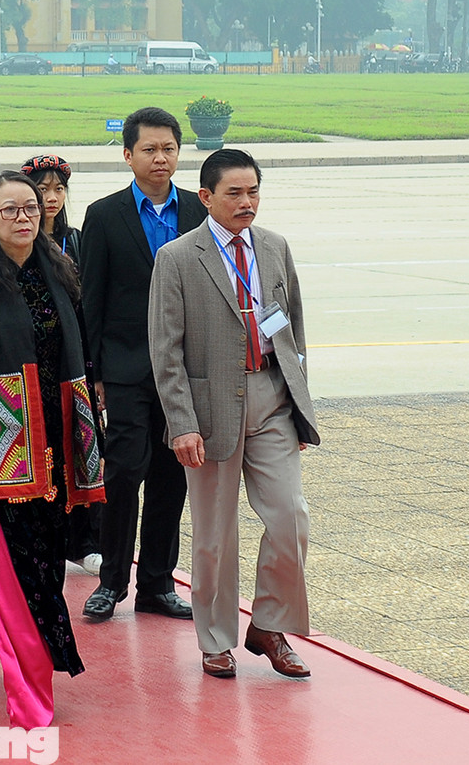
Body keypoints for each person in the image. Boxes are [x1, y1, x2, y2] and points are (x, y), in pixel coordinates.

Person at [0, 171, 105, 729]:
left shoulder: (61, 273)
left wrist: (90, 429)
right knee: (16, 558)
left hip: (58, 437)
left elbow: (81, 354)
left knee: (48, 553)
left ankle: (34, 650)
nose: (23, 217)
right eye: (8, 210)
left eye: (30, 207)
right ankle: (29, 682)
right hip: (3, 437)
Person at [149, 148, 319, 680]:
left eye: (253, 192)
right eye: (234, 194)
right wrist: (182, 424)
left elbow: (292, 330)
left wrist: (299, 404)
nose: (247, 203)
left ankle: (269, 625)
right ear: (206, 198)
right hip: (210, 410)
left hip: (271, 400)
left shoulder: (274, 247)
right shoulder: (177, 258)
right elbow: (166, 351)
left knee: (291, 517)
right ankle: (216, 637)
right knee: (215, 535)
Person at [79, 106, 204, 623]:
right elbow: (93, 299)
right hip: (127, 369)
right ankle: (112, 582)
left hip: (185, 371)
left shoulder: (200, 210)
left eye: (168, 149)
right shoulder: (105, 216)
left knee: (173, 478)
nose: (160, 158)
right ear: (128, 155)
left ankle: (157, 583)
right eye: (149, 149)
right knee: (125, 472)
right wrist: (95, 375)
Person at [21, 153, 102, 576]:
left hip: (77, 360)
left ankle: (85, 539)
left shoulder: (78, 239)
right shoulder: (20, 243)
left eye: (58, 189)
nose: (51, 198)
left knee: (83, 448)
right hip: (34, 365)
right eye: (42, 189)